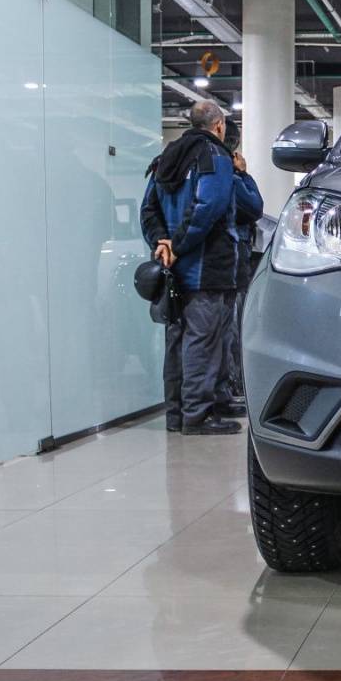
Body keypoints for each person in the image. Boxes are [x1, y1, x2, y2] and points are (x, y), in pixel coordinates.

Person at [140, 101, 242, 435]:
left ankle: (176, 415)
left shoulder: (165, 158)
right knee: (203, 341)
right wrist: (179, 245)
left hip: (172, 270)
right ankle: (198, 416)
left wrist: (162, 243)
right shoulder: (215, 157)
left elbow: (148, 209)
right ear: (219, 125)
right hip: (206, 268)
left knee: (177, 340)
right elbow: (207, 207)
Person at [219, 118, 263, 406]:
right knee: (232, 323)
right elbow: (254, 207)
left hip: (201, 261)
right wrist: (243, 174)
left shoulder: (179, 165)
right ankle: (232, 385)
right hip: (231, 259)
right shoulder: (228, 174)